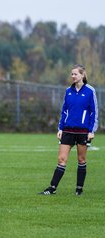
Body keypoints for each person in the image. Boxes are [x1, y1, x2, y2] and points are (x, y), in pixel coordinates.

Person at [40, 64, 98, 195]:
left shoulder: (90, 91)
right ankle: (52, 188)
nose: (73, 76)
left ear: (82, 75)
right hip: (67, 130)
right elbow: (64, 111)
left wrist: (91, 130)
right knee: (61, 159)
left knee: (81, 160)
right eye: (72, 74)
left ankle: (79, 189)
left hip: (83, 131)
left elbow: (94, 112)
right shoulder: (68, 91)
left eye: (75, 74)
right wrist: (60, 127)